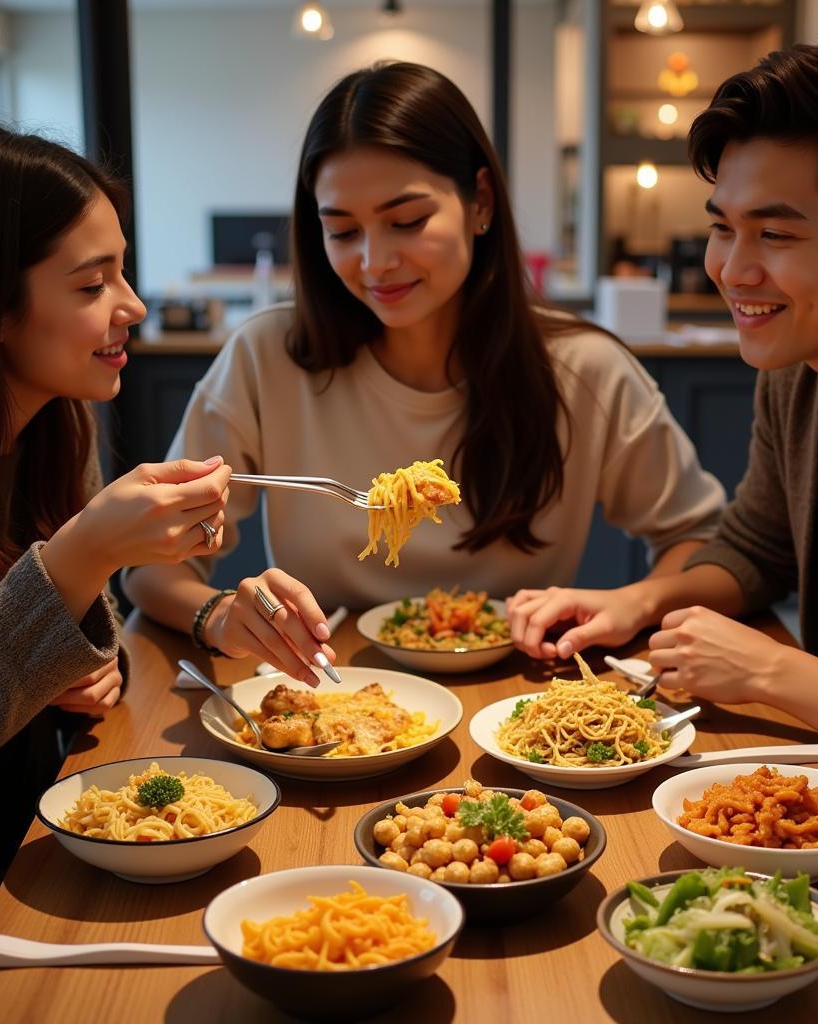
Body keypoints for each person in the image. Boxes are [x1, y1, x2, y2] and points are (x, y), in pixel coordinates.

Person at [123, 61, 725, 686]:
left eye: (407, 221)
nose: (375, 261)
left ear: (480, 202)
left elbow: (701, 541)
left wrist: (636, 601)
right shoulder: (266, 356)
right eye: (343, 230)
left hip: (521, 700)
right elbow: (151, 565)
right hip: (330, 692)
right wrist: (219, 615)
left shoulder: (583, 370)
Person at [507, 39, 818, 838]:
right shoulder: (803, 371)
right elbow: (758, 548)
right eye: (723, 228)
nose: (730, 269)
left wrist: (767, 670)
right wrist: (637, 602)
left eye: (775, 236)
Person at [0, 124, 232, 980]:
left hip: (42, 825)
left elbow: (87, 637)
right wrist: (78, 559)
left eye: (122, 269)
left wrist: (86, 664)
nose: (133, 305)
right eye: (91, 283)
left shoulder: (51, 428)